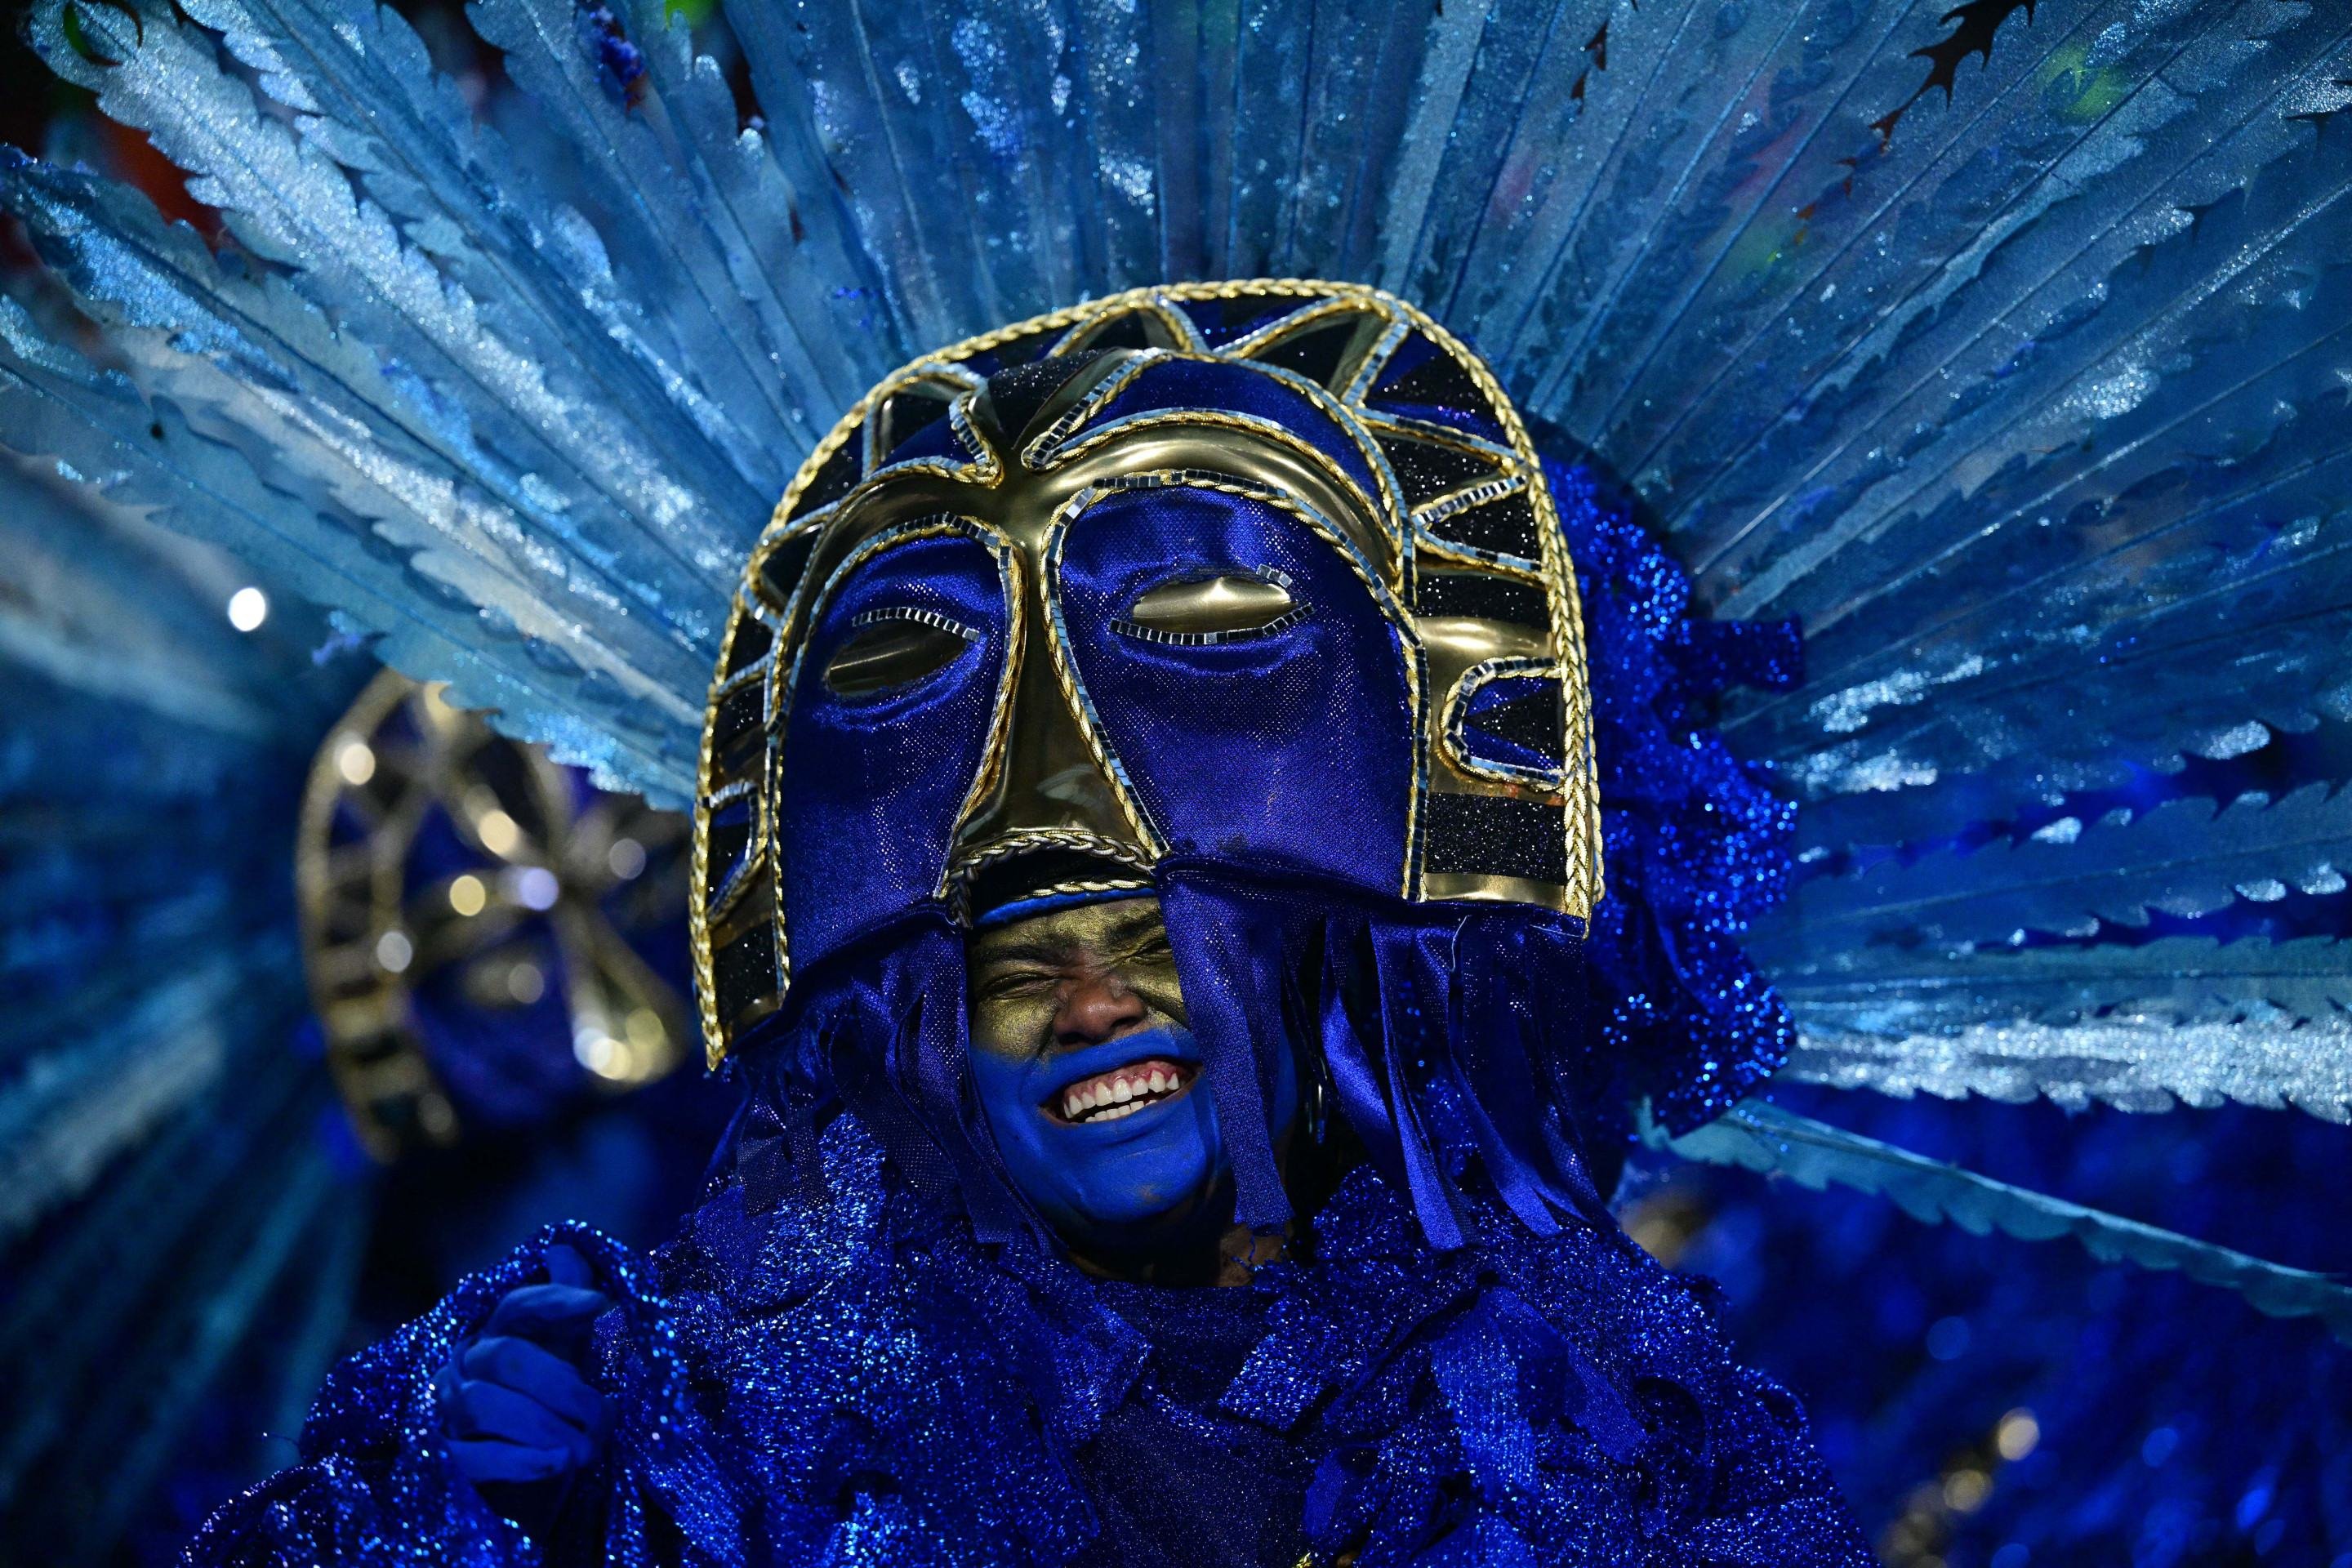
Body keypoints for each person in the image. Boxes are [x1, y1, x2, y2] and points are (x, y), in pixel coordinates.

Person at [191, 283, 1870, 1566]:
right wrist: (512, 1512)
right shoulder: (750, 1421)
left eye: (1150, 947)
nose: (1083, 1004)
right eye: (1014, 965)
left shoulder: (1598, 1422)